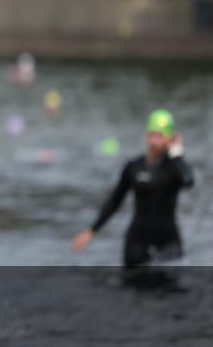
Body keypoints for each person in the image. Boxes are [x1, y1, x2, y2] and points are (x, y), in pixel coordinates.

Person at [72, 109, 194, 267]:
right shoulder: (134, 167)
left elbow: (189, 181)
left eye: (161, 136)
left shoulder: (174, 168)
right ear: (147, 135)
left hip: (168, 242)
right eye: (153, 134)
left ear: (170, 138)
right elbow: (115, 201)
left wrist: (177, 154)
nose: (155, 140)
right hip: (137, 242)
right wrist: (91, 231)